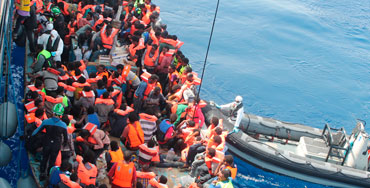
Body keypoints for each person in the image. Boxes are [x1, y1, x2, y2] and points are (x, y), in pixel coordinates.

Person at [32, 104, 68, 179]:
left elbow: (35, 132)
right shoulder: (64, 125)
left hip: (47, 143)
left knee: (44, 158)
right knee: (52, 161)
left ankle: (42, 173)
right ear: (61, 115)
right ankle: (49, 174)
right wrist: (63, 145)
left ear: (53, 113)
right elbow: (66, 139)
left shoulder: (46, 122)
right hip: (56, 145)